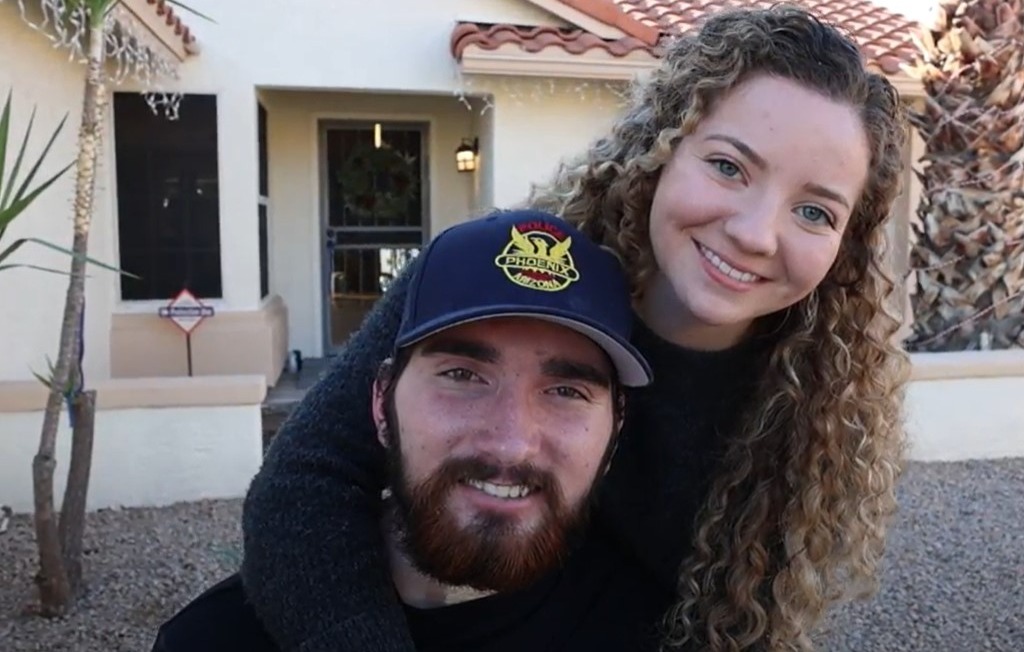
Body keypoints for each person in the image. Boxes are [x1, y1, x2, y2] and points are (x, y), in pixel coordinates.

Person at [241, 5, 911, 651]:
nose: (756, 234)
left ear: (847, 244)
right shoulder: (509, 276)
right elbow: (304, 485)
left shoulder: (819, 400)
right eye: (728, 167)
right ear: (661, 150)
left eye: (815, 212)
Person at [151, 209, 673, 651]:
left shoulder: (661, 630)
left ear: (616, 428)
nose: (511, 442)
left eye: (566, 392)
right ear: (381, 403)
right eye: (462, 376)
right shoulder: (212, 640)